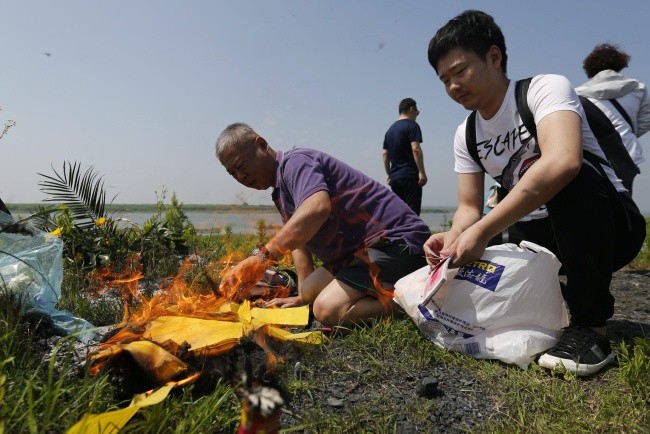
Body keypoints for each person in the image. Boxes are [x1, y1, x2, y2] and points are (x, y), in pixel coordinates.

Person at [425, 10, 646, 376]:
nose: (453, 87)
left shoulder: (545, 89)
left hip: (607, 225)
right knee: (472, 250)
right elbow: (468, 207)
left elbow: (562, 161)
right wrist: (453, 237)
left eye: (460, 71)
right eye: (444, 79)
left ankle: (592, 330)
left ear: (494, 57)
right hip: (543, 236)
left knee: (567, 178)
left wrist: (481, 231)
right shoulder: (466, 134)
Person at [215, 123, 431, 327]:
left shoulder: (296, 162)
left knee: (326, 310)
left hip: (394, 242)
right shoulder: (280, 191)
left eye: (240, 166)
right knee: (310, 292)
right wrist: (301, 298)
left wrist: (261, 257)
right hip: (355, 255)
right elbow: (299, 242)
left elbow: (317, 209)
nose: (240, 176)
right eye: (232, 173)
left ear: (260, 144)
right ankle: (378, 289)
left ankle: (419, 300)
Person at [576, 43, 650, 194]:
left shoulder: (579, 94)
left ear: (590, 67)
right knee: (626, 203)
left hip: (597, 155)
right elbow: (646, 121)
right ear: (620, 64)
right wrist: (627, 134)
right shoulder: (638, 89)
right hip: (627, 154)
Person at [382, 98, 428, 215]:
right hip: (410, 176)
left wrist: (389, 173)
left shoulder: (390, 130)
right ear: (411, 109)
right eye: (417, 112)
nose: (417, 115)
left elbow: (385, 154)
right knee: (412, 214)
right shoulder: (412, 126)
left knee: (399, 213)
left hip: (395, 178)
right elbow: (416, 149)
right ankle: (412, 233)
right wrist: (421, 172)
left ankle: (399, 233)